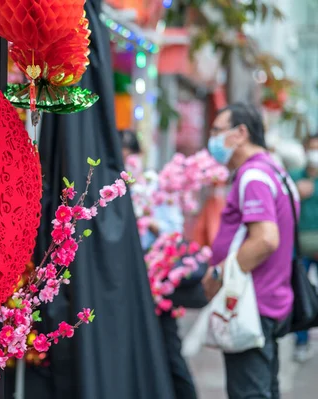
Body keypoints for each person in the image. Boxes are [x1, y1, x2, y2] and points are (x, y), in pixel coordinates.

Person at [202, 103, 297, 399]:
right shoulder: (275, 171)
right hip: (267, 302)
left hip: (251, 306)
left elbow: (266, 239)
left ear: (241, 133)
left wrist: (219, 273)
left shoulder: (253, 175)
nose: (213, 139)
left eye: (217, 130)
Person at [120, 129, 197, 399]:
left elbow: (174, 234)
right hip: (130, 281)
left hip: (158, 281)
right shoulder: (118, 189)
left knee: (168, 348)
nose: (127, 161)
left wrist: (149, 222)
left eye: (129, 155)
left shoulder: (155, 186)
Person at [289, 134, 318, 362]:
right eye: (312, 148)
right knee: (300, 293)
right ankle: (301, 341)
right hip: (299, 246)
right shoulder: (294, 178)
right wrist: (296, 193)